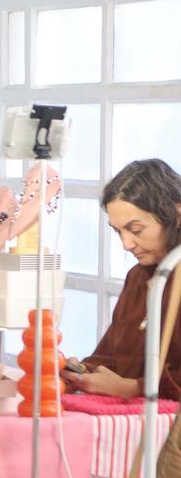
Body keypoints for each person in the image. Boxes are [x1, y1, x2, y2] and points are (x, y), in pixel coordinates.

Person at [63, 158, 181, 400]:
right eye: (118, 231)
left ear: (177, 215)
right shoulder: (138, 277)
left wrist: (134, 388)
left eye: (136, 230)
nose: (126, 244)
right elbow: (112, 357)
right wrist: (83, 372)